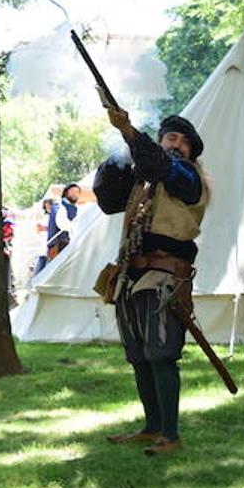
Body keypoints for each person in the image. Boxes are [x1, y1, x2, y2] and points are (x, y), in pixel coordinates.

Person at [96, 112, 208, 457]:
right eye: (170, 138)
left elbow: (165, 168)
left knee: (161, 355)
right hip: (131, 274)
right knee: (140, 357)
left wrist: (130, 131)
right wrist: (122, 149)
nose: (176, 144)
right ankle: (152, 427)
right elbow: (106, 199)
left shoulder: (189, 176)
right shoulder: (142, 180)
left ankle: (171, 434)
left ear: (191, 151)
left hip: (164, 274)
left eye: (183, 141)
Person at [45, 183, 81, 262]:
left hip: (63, 245)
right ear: (66, 193)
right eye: (73, 191)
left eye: (77, 192)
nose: (75, 194)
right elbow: (62, 224)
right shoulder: (59, 206)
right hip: (58, 246)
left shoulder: (71, 207)